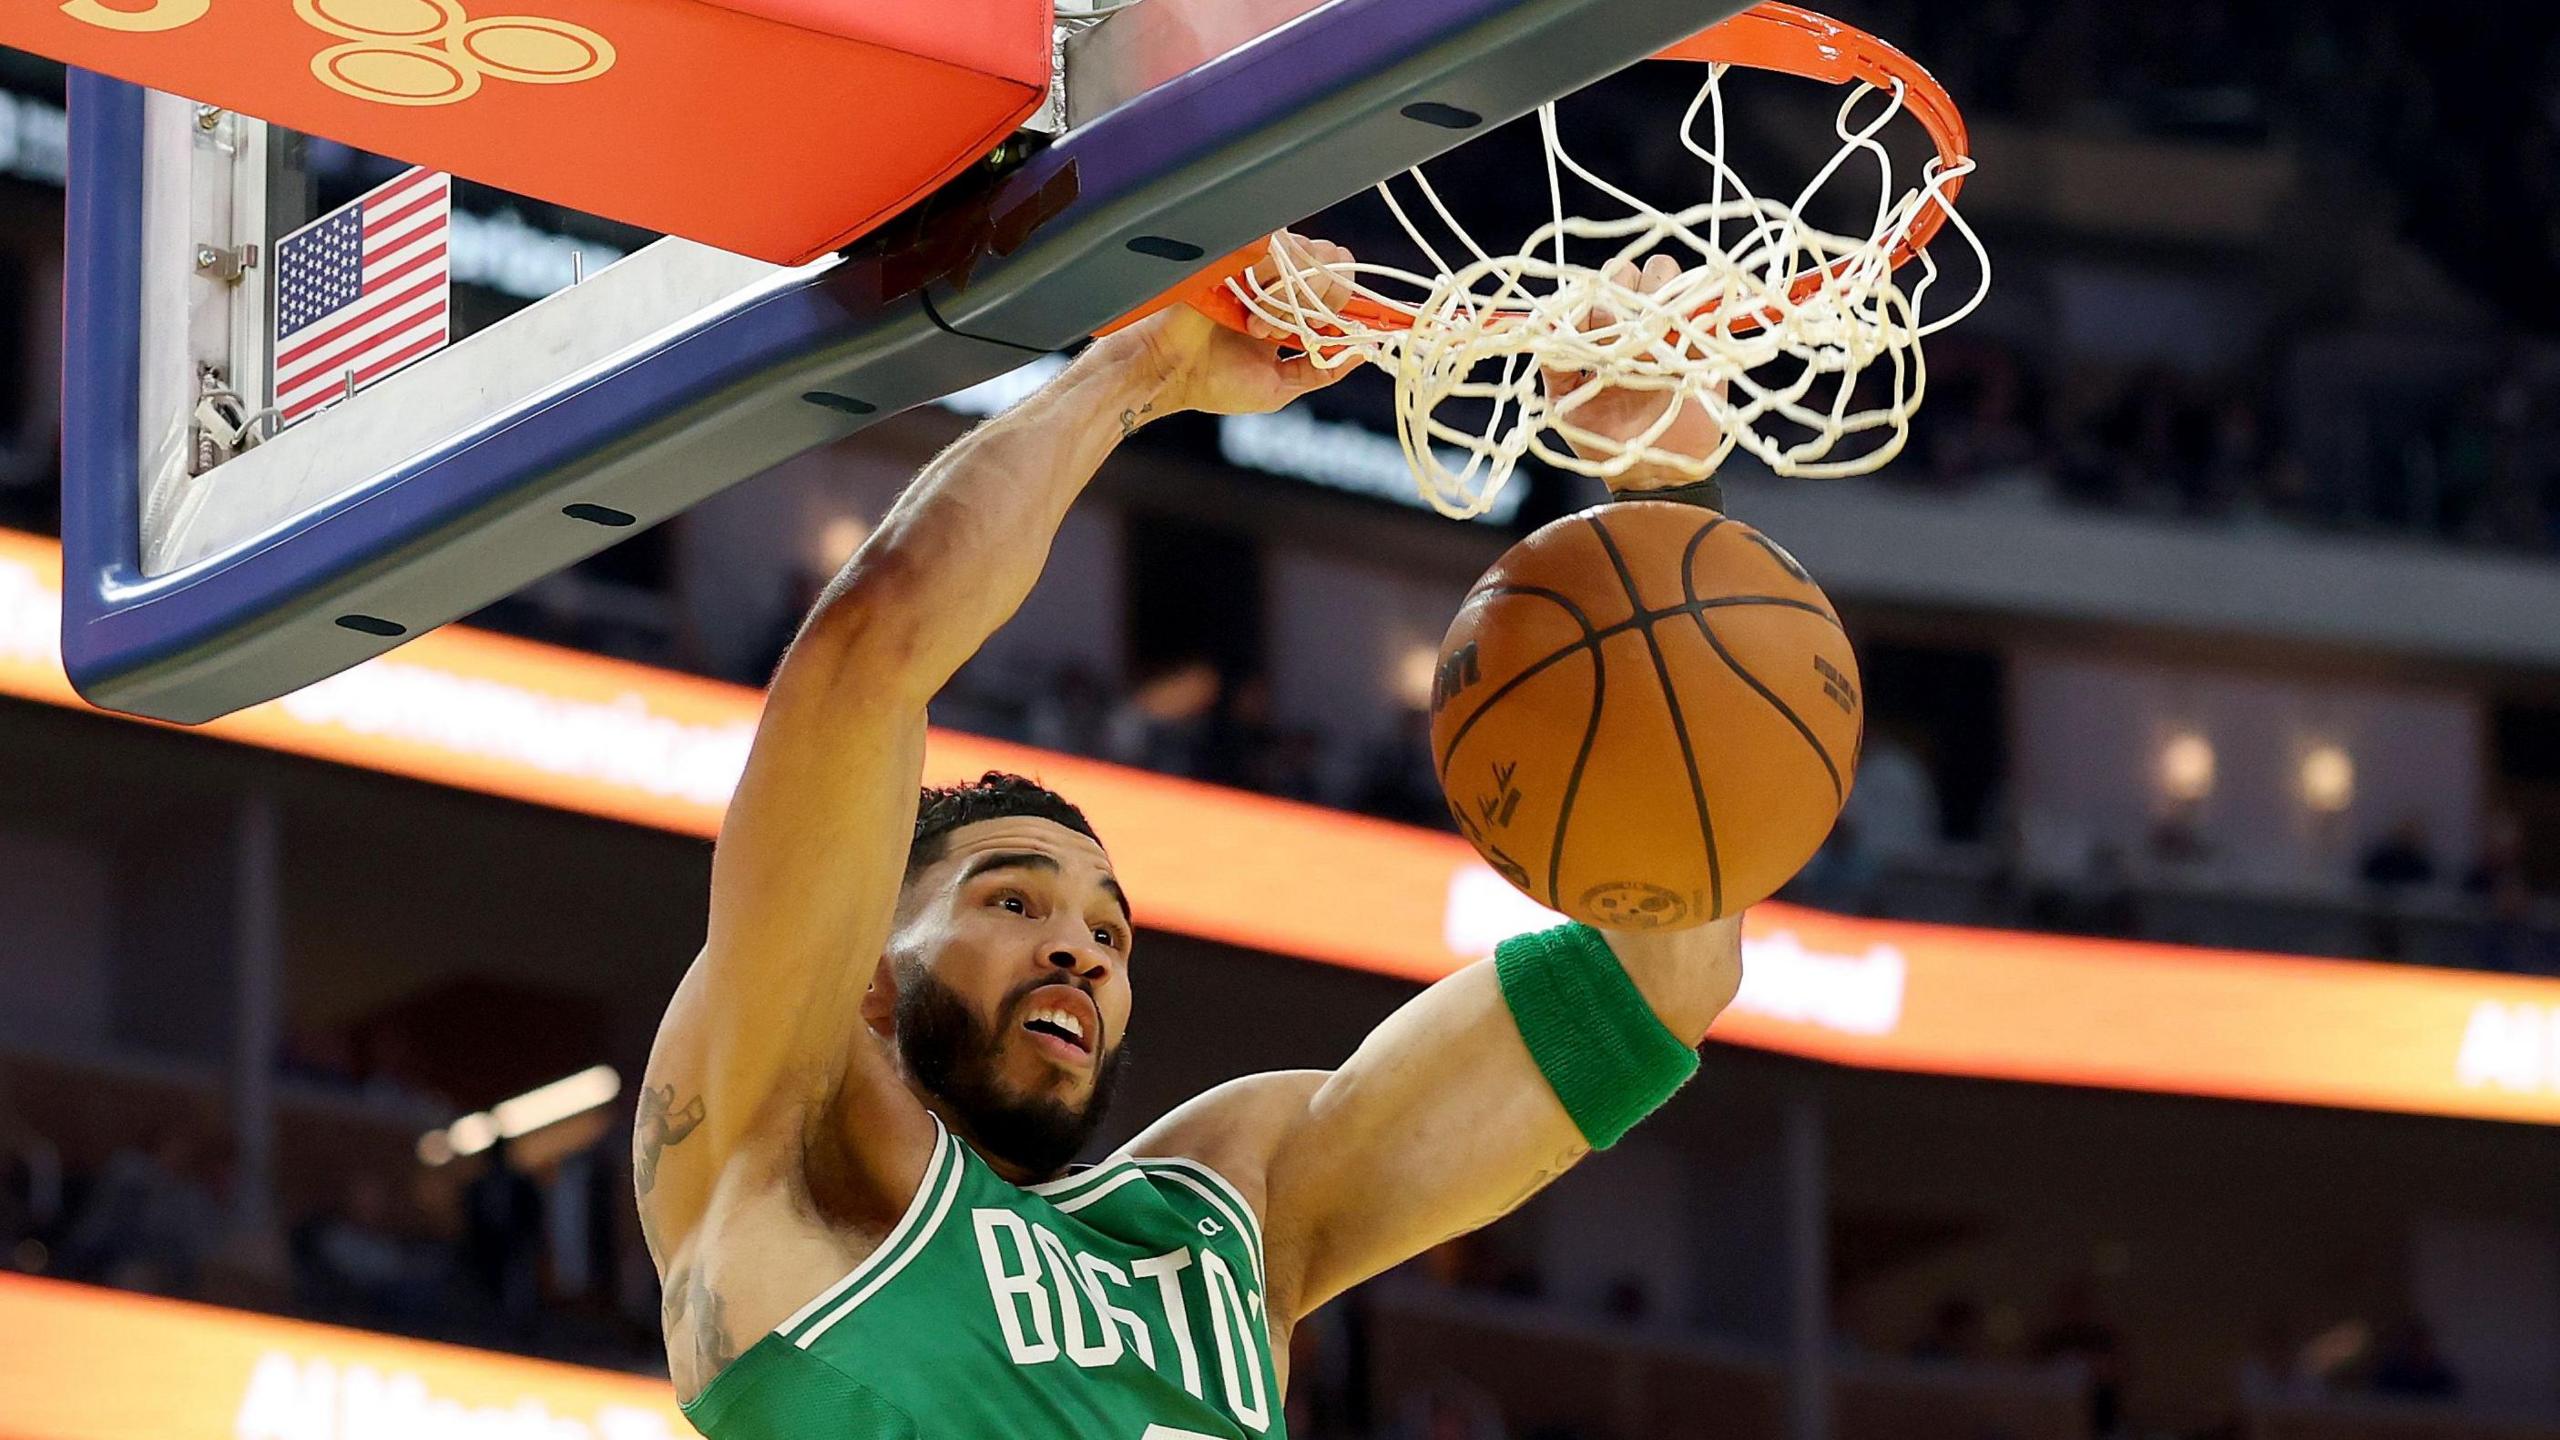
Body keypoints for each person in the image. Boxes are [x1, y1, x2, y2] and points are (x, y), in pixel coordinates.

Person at [635, 241, 1750, 1438]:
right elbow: (869, 658)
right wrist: (1143, 370)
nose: (1081, 951)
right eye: (1012, 902)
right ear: (867, 966)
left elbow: (1665, 972)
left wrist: (1659, 499)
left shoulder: (1225, 1210)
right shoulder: (772, 1142)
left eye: (1109, 929)